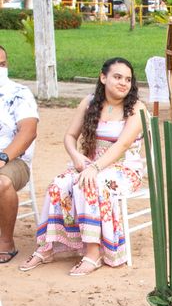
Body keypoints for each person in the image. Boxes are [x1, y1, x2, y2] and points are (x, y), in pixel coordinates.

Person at [19, 57, 146, 275]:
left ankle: (93, 252)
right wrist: (77, 156)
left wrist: (94, 169)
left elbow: (123, 144)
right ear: (103, 77)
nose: (124, 83)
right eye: (117, 77)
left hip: (124, 168)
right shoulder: (89, 102)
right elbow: (69, 135)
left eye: (128, 79)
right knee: (59, 183)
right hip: (89, 163)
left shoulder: (136, 107)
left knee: (87, 183)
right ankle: (47, 247)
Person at [0, 45, 39, 264]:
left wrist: (3, 157)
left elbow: (28, 131)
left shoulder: (18, 93)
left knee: (1, 182)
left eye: (3, 65)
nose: (0, 70)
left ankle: (6, 242)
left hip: (14, 160)